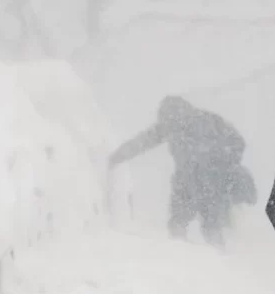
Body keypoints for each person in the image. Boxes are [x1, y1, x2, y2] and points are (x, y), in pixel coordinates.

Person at [107, 96, 253, 246]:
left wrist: (221, 163)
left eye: (169, 121)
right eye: (166, 121)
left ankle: (223, 259)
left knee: (210, 224)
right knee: (180, 222)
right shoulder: (171, 125)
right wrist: (117, 156)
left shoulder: (207, 121)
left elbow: (237, 142)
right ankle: (183, 255)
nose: (168, 127)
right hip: (186, 180)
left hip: (212, 181)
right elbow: (144, 141)